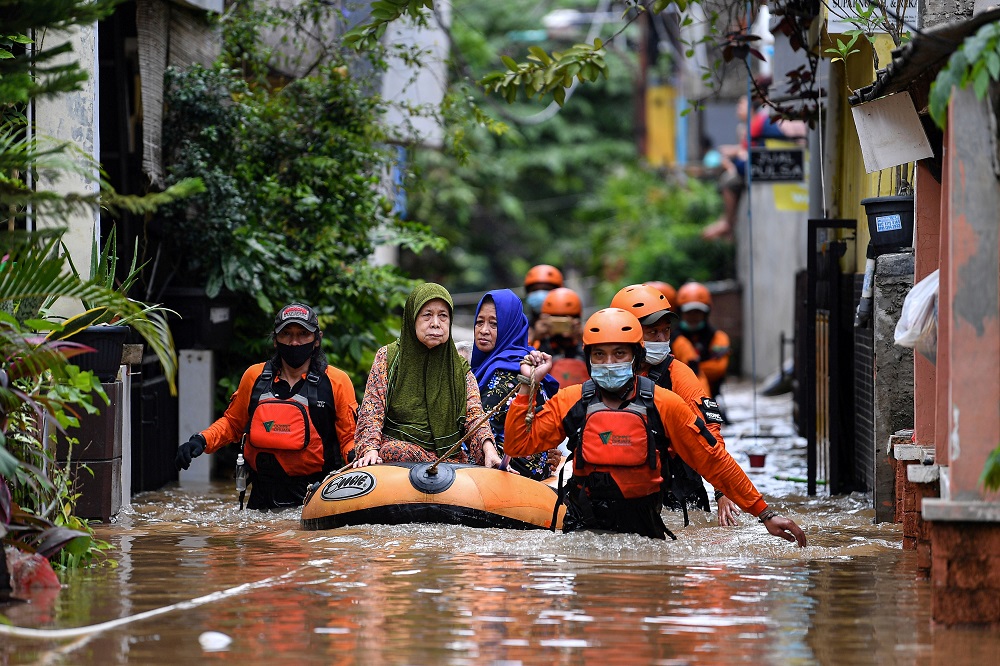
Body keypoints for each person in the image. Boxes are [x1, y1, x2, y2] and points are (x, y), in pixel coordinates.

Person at [503, 308, 806, 545]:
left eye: (619, 353)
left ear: (635, 357)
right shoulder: (571, 401)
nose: (609, 362)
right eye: (600, 354)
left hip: (645, 532)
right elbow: (519, 445)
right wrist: (527, 387)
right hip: (584, 532)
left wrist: (764, 512)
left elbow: (712, 459)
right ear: (589, 358)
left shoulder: (665, 404)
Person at [175, 303, 359, 510]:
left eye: (303, 334)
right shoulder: (255, 377)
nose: (295, 342)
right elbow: (233, 424)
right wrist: (201, 440)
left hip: (315, 496)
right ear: (275, 340)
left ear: (317, 340)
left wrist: (358, 458)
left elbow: (349, 438)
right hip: (261, 496)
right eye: (287, 334)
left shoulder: (337, 381)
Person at [610, 283, 740, 526]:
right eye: (652, 332)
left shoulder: (678, 373)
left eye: (666, 331)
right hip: (620, 478)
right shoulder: (605, 374)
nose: (661, 339)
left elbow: (709, 433)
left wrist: (722, 490)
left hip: (675, 483)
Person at [352, 283, 503, 469]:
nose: (435, 323)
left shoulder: (459, 368)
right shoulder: (388, 357)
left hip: (449, 459)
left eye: (443, 316)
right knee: (394, 451)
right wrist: (370, 450)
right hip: (398, 454)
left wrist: (489, 451)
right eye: (427, 315)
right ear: (412, 318)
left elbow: (474, 416)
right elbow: (372, 410)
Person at [471, 289, 562, 480]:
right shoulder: (525, 361)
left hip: (506, 478)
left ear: (510, 327)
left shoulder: (506, 372)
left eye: (494, 324)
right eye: (480, 322)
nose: (484, 330)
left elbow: (475, 429)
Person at [672, 282, 731, 402]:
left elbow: (719, 368)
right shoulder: (672, 338)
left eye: (698, 312)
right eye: (689, 312)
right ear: (681, 312)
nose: (693, 316)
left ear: (705, 313)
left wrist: (693, 368)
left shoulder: (718, 337)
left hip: (713, 395)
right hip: (679, 397)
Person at [534, 286, 589, 388]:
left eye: (565, 321)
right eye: (556, 320)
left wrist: (584, 338)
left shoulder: (585, 346)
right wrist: (536, 338)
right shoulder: (539, 346)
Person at [523, 264, 563, 345]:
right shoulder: (520, 328)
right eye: (535, 290)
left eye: (546, 289)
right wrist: (534, 339)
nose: (540, 294)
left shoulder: (567, 322)